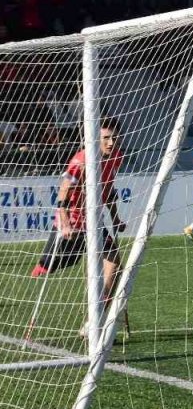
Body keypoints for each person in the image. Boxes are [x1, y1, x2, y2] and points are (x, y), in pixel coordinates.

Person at [31, 119, 128, 336]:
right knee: (49, 266)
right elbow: (63, 193)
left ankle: (95, 318)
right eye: (106, 138)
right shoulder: (81, 160)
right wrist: (65, 224)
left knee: (114, 263)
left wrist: (116, 218)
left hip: (94, 221)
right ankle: (46, 264)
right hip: (73, 222)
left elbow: (108, 190)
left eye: (114, 137)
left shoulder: (117, 157)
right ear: (95, 139)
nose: (112, 142)